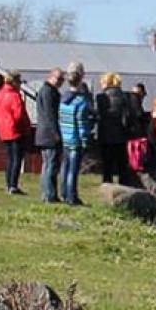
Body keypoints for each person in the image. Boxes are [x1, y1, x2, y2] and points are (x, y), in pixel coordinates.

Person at [56, 66, 95, 206]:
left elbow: (60, 118)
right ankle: (72, 196)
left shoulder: (62, 100)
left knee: (64, 167)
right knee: (73, 170)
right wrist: (85, 141)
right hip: (76, 139)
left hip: (65, 137)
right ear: (80, 82)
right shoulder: (80, 102)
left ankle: (64, 192)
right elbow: (81, 123)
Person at [0, 71, 30, 195]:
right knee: (17, 158)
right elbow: (19, 114)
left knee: (10, 158)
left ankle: (9, 184)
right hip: (16, 130)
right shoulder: (14, 96)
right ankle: (13, 185)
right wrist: (22, 125)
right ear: (15, 82)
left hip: (4, 129)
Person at [95, 72, 136, 188]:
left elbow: (97, 114)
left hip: (105, 135)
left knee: (107, 165)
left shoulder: (100, 98)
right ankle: (125, 187)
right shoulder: (125, 97)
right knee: (122, 165)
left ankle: (107, 187)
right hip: (122, 135)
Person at [33, 68, 64, 203]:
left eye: (62, 80)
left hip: (44, 133)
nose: (60, 82)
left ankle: (48, 193)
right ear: (51, 76)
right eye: (58, 79)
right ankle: (49, 194)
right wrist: (56, 134)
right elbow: (50, 115)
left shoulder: (45, 91)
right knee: (50, 165)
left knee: (47, 165)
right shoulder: (48, 92)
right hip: (49, 134)